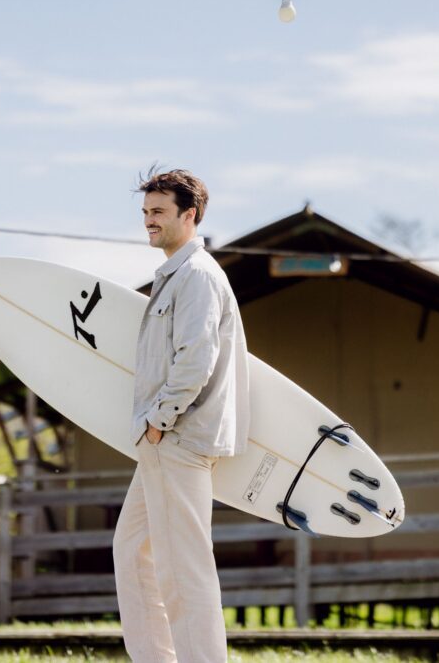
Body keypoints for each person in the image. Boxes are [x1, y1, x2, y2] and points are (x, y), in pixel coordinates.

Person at [113, 167, 250, 663]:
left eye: (158, 212)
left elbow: (196, 358)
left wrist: (158, 422)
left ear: (188, 216)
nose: (148, 221)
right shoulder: (174, 274)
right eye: (145, 212)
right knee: (132, 553)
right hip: (162, 443)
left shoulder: (196, 276)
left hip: (178, 440)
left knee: (182, 570)